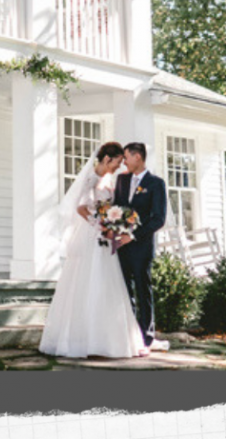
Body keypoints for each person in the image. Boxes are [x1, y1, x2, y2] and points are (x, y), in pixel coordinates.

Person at [40, 142, 145, 359]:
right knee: (88, 280)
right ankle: (83, 339)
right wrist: (99, 225)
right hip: (91, 235)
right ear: (107, 159)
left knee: (108, 282)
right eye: (117, 161)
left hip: (105, 235)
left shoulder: (109, 180)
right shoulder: (91, 179)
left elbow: (110, 209)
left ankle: (106, 338)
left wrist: (115, 225)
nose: (119, 166)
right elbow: (80, 208)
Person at [113, 142, 168, 351]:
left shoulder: (156, 183)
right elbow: (117, 208)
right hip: (120, 245)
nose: (123, 162)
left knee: (142, 290)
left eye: (126, 157)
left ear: (138, 157)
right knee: (124, 290)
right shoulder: (121, 180)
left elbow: (158, 219)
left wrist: (133, 235)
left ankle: (147, 337)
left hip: (141, 246)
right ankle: (128, 335)